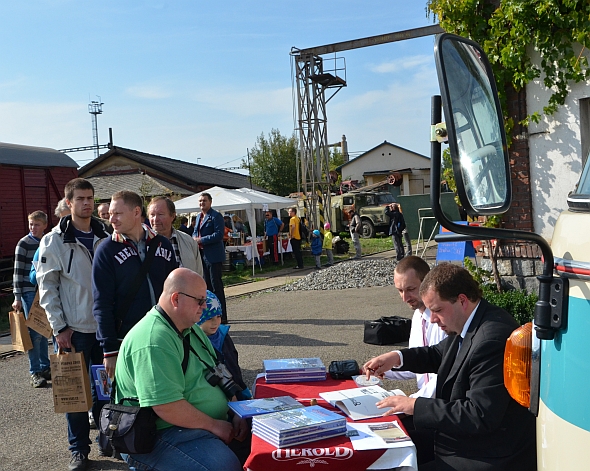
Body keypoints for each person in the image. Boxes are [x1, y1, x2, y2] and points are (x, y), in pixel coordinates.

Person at [364, 263, 536, 471]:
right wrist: (396, 357)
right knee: (381, 445)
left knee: (390, 460)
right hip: (463, 440)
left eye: (437, 310)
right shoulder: (470, 320)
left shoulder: (491, 339)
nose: (433, 319)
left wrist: (414, 405)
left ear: (462, 300)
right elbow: (438, 353)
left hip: (486, 455)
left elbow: (479, 414)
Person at [114, 268, 249, 471]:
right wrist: (215, 425)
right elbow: (166, 406)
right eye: (200, 301)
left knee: (268, 440)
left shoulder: (190, 327)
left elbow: (219, 371)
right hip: (160, 433)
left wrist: (237, 411)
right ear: (176, 299)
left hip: (194, 426)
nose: (205, 307)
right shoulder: (154, 340)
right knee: (224, 466)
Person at [37, 178, 110, 471]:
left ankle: (111, 438)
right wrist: (59, 327)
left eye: (90, 198)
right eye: (80, 198)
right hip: (74, 331)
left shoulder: (106, 235)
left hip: (105, 329)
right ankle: (79, 450)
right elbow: (47, 289)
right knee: (75, 396)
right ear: (69, 203)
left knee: (108, 390)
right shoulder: (54, 241)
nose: (87, 203)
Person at [366, 255, 446, 465]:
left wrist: (412, 403)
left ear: (427, 282)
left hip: (440, 413)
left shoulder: (443, 317)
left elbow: (446, 373)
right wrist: (384, 367)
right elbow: (416, 364)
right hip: (423, 406)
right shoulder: (418, 316)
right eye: (399, 290)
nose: (404, 297)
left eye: (410, 289)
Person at [92, 190, 178, 379]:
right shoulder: (106, 250)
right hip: (127, 339)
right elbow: (101, 303)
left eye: (118, 213)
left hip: (164, 335)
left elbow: (175, 291)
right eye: (111, 214)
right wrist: (109, 350)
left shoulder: (163, 244)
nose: (111, 219)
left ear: (137, 212)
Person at [13, 210, 50, 388]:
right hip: (29, 292)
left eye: (36, 224)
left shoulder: (46, 241)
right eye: (30, 224)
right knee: (33, 334)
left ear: (44, 225)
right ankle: (34, 371)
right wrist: (17, 296)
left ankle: (45, 366)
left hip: (43, 292)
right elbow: (18, 271)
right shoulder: (24, 243)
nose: (33, 228)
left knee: (44, 332)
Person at [198, 290, 252, 400]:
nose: (215, 322)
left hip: (238, 389)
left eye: (218, 316)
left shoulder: (223, 334)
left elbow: (234, 364)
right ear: (198, 318)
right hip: (218, 396)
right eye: (209, 318)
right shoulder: (197, 341)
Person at [193, 192, 228, 323]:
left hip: (213, 256)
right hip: (202, 255)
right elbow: (196, 232)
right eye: (200, 201)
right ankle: (209, 314)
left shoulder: (216, 216)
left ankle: (222, 315)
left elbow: (219, 235)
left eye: (204, 201)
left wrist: (201, 240)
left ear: (210, 202)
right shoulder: (198, 217)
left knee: (216, 286)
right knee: (206, 287)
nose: (202, 203)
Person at [147, 196, 203, 276]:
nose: (155, 219)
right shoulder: (142, 242)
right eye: (152, 215)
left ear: (172, 216)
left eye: (160, 214)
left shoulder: (188, 241)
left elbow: (198, 273)